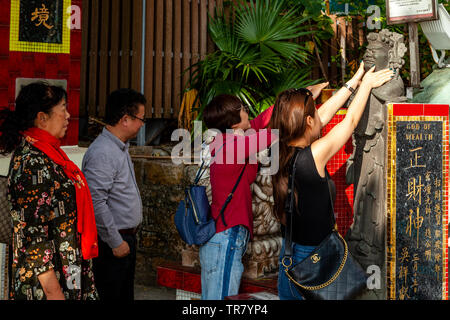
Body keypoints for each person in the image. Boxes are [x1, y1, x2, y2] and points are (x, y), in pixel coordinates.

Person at [268, 62, 394, 300]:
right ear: (307, 122)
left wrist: (352, 83)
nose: (320, 115)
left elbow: (322, 117)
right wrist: (366, 84)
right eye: (314, 114)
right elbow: (350, 122)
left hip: (289, 258)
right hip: (314, 260)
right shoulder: (312, 155)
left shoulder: (279, 148)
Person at [199, 85, 327, 300]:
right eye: (242, 109)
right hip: (226, 235)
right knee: (221, 298)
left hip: (225, 234)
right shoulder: (232, 147)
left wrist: (303, 93)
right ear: (233, 121)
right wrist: (298, 106)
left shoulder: (229, 140)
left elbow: (261, 121)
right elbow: (276, 131)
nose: (247, 111)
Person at [0, 82, 98, 300]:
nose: (68, 115)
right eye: (63, 108)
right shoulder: (32, 162)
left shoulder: (51, 155)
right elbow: (33, 239)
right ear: (42, 117)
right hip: (45, 285)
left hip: (68, 266)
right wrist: (55, 294)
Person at [82, 88, 146, 300]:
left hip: (123, 238)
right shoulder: (103, 151)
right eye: (141, 119)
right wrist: (115, 241)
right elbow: (95, 201)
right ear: (125, 119)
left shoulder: (119, 147)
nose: (142, 124)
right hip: (112, 242)